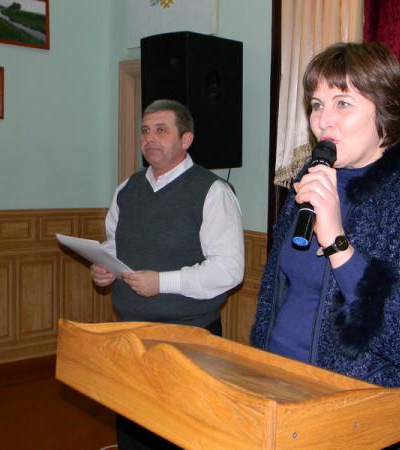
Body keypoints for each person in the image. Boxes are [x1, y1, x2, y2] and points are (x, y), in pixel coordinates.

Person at [251, 42, 400, 449]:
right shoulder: (311, 180)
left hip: (361, 420)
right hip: (280, 397)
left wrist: (338, 244)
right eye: (317, 105)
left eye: (343, 103)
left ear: (384, 110)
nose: (322, 121)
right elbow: (275, 297)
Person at [91, 99, 244, 450]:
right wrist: (104, 266)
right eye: (145, 130)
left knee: (181, 435)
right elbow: (115, 243)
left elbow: (229, 270)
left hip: (189, 338)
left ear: (186, 140)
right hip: (130, 334)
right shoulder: (127, 189)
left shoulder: (213, 191)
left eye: (161, 130)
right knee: (133, 435)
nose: (149, 138)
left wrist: (161, 283)